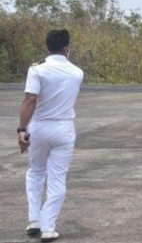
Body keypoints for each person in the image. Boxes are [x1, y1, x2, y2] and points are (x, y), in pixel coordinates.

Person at [18, 29, 84, 242]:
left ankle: (34, 221)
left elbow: (30, 99)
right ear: (67, 48)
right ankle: (48, 227)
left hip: (39, 127)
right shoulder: (77, 72)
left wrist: (21, 129)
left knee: (35, 172)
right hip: (64, 128)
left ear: (47, 47)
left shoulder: (37, 69)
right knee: (57, 177)